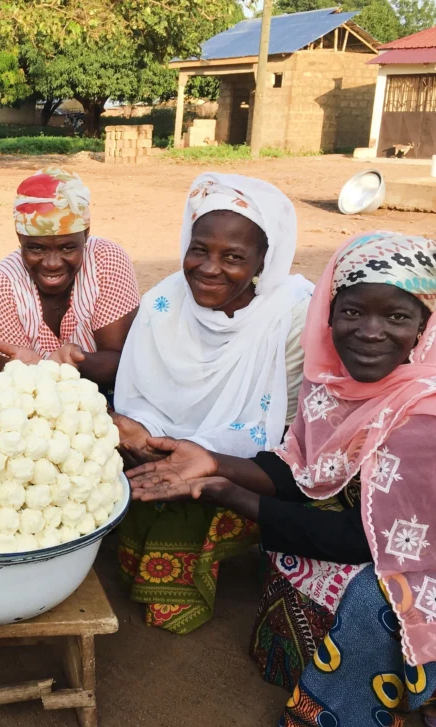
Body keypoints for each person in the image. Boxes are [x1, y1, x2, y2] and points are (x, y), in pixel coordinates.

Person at [127, 231, 436, 727]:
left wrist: (226, 492)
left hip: (428, 566)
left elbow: (365, 544)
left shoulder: (435, 416)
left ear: (424, 323)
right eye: (352, 312)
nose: (369, 333)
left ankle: (352, 724)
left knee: (377, 599)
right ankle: (300, 662)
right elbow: (303, 469)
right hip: (368, 527)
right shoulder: (336, 380)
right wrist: (213, 461)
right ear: (328, 311)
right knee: (294, 525)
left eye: (396, 317)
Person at [111, 173, 312, 634]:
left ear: (265, 259)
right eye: (199, 248)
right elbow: (138, 392)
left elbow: (286, 428)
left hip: (246, 461)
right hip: (159, 446)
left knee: (190, 487)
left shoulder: (293, 316)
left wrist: (205, 456)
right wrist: (134, 427)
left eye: (234, 257)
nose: (209, 268)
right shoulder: (164, 301)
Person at [0, 167, 140, 391]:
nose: (52, 263)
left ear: (86, 234)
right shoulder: (1, 284)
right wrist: (45, 375)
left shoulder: (106, 260)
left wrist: (77, 363)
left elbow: (124, 363)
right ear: (20, 239)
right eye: (36, 248)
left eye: (67, 247)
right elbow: (8, 389)